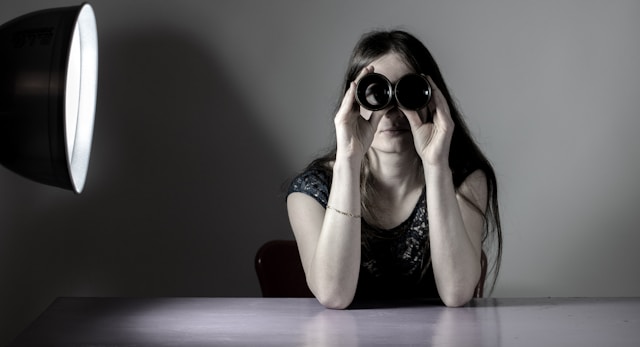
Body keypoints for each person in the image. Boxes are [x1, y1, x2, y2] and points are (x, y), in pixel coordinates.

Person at [286, 30, 502, 309]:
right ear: (353, 102)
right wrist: (348, 160)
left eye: (408, 93)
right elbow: (333, 294)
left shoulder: (464, 181)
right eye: (376, 92)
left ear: (432, 100)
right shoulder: (311, 191)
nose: (391, 111)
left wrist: (436, 165)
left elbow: (457, 292)